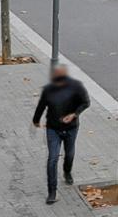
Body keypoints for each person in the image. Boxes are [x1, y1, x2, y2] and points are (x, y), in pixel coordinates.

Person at [32, 62, 91, 204]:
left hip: (71, 128)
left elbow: (86, 102)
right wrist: (36, 120)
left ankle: (67, 171)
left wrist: (74, 114)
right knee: (52, 158)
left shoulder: (76, 87)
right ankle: (52, 192)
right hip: (53, 129)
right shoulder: (48, 90)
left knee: (69, 153)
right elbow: (41, 105)